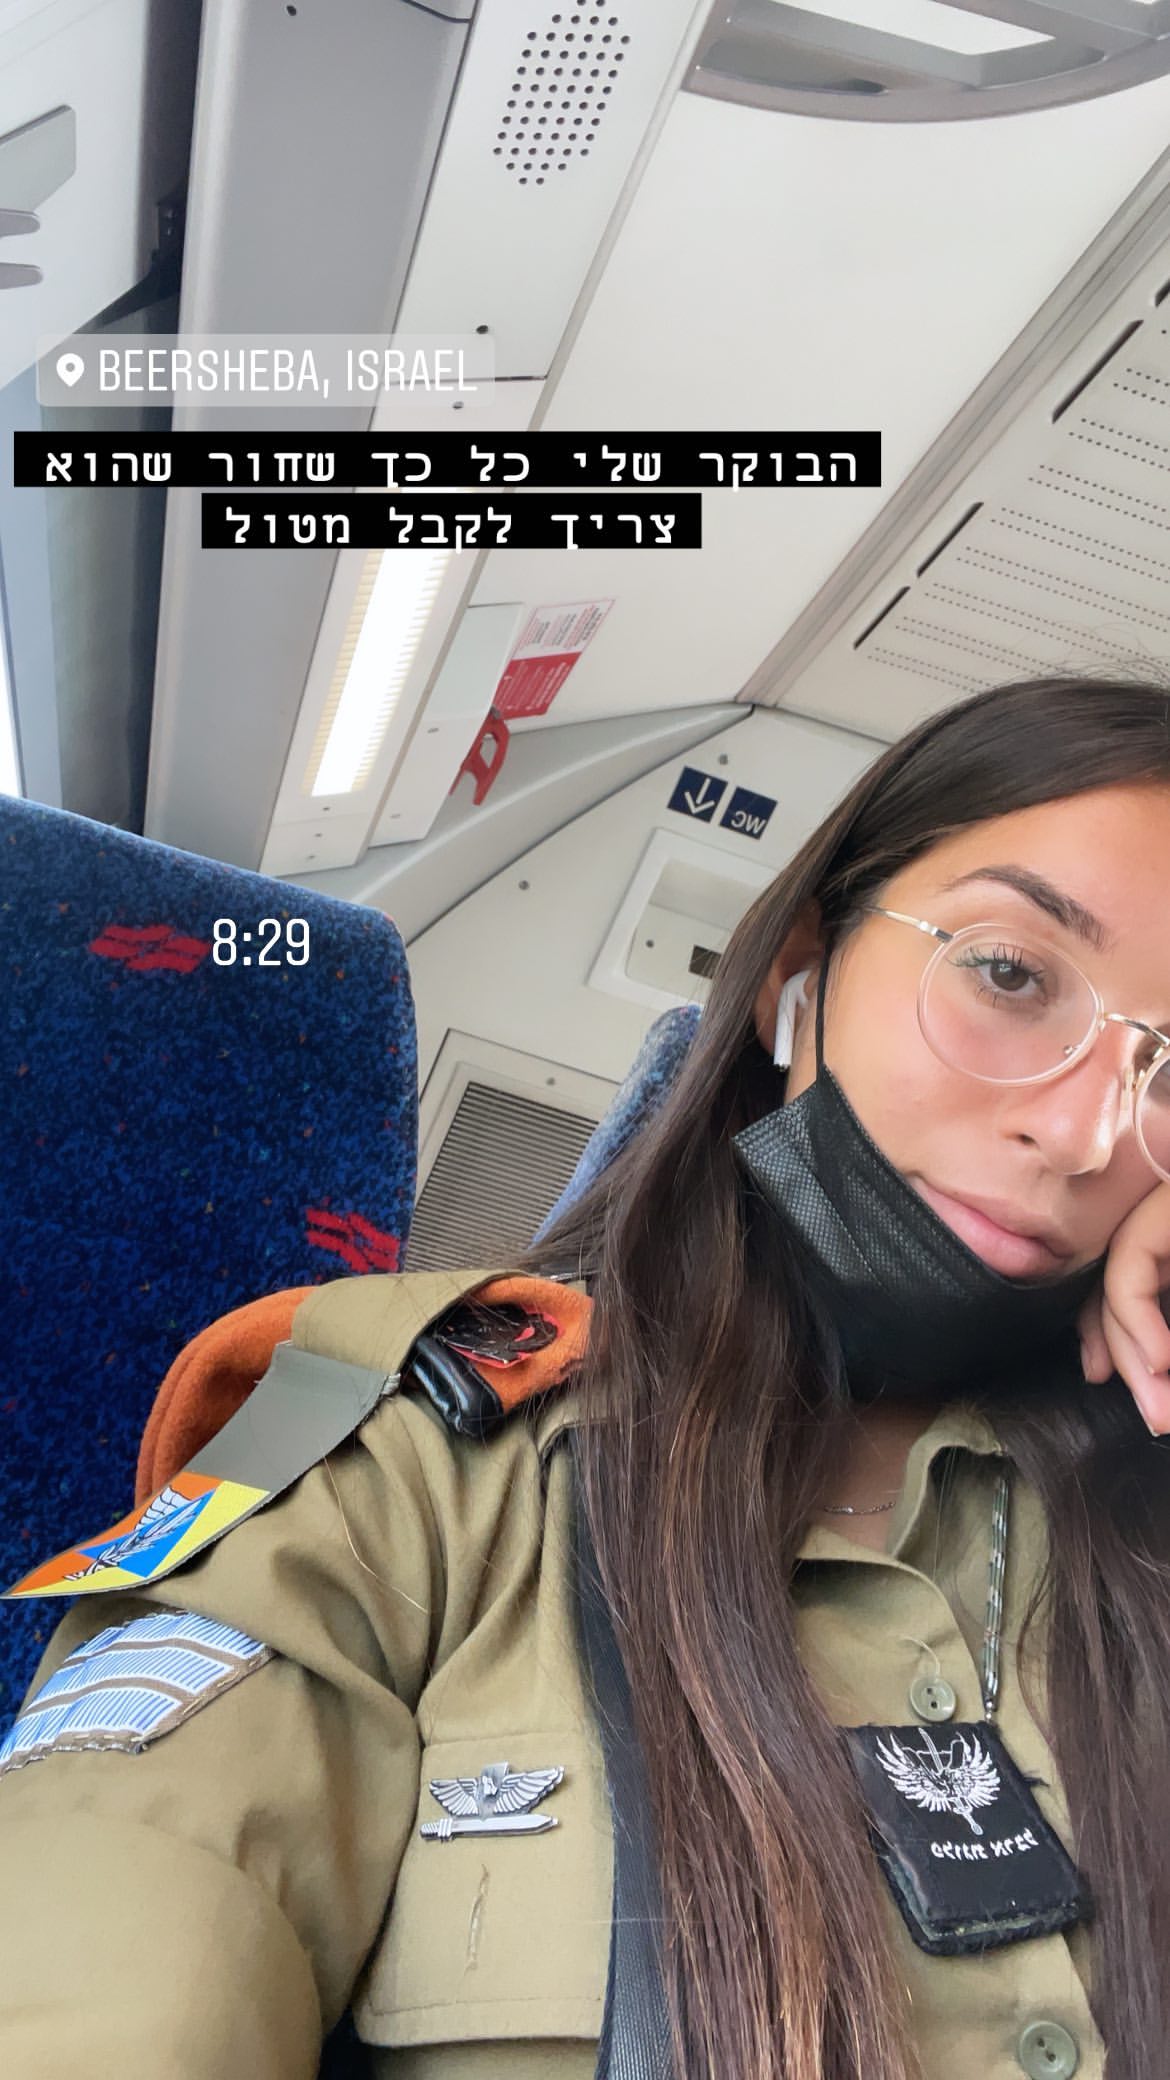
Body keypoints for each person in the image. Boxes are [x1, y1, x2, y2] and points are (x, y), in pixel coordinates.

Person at [3, 673, 1170, 2080]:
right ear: (798, 973)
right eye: (1010, 976)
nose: (1084, 1133)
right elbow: (125, 1923)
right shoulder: (426, 1458)